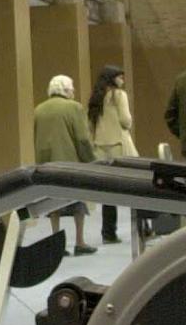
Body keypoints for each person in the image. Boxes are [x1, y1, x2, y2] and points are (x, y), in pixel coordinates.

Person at [33, 74, 97, 256]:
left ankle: (56, 243)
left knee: (53, 204)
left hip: (47, 163)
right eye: (72, 88)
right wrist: (91, 160)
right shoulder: (74, 107)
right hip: (69, 162)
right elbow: (82, 138)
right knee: (78, 202)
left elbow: (36, 136)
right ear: (65, 89)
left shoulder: (39, 109)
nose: (74, 91)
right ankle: (79, 241)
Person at [88, 66, 137, 244]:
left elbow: (91, 126)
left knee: (108, 193)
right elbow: (126, 120)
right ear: (112, 79)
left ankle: (108, 232)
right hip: (119, 144)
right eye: (120, 77)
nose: (122, 80)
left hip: (101, 147)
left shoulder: (96, 97)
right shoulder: (119, 95)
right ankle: (143, 228)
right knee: (135, 187)